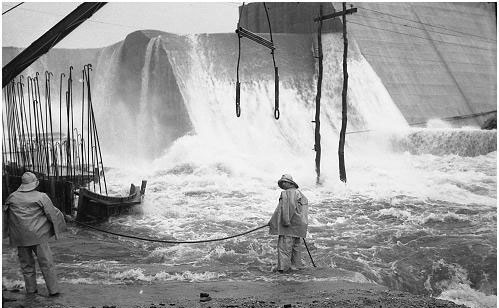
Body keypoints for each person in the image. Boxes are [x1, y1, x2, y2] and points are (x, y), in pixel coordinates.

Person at [3, 172, 66, 296]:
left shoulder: (12, 197)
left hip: (20, 238)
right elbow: (52, 214)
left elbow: (6, 217)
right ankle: (53, 291)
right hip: (38, 237)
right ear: (34, 183)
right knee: (47, 264)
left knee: (26, 265)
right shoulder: (41, 197)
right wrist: (58, 230)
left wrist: (6, 234)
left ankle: (31, 290)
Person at [268, 174, 309, 272]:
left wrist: (285, 222)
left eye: (284, 182)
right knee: (296, 248)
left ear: (289, 183)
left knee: (284, 248)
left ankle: (283, 269)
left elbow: (289, 207)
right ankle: (295, 267)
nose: (282, 184)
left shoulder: (287, 193)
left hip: (289, 226)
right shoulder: (299, 193)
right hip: (298, 227)